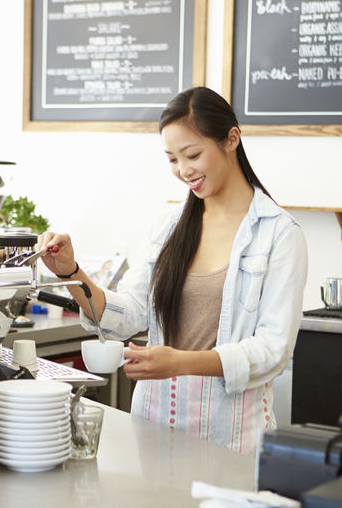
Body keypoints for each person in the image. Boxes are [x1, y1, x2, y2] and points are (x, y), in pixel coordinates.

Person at [36, 86, 307, 453]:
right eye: (172, 160)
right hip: (154, 431)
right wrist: (72, 274)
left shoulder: (278, 234)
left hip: (233, 440)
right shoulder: (169, 227)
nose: (183, 171)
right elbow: (130, 314)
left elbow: (272, 351)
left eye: (192, 155)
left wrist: (180, 362)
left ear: (231, 139)